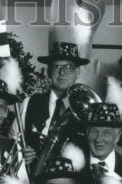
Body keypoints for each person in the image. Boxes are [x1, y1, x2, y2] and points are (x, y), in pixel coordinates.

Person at [23, 37, 89, 174]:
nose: (62, 72)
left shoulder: (87, 109)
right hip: (31, 181)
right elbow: (13, 143)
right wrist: (22, 153)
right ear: (48, 71)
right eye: (56, 67)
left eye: (68, 67)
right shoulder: (29, 102)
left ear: (77, 72)